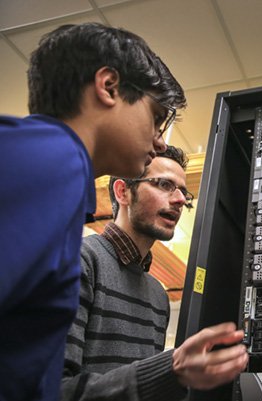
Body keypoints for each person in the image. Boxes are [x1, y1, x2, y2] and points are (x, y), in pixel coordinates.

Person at [0, 23, 185, 401]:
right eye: (156, 116)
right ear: (109, 87)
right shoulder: (50, 159)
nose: (160, 139)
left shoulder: (52, 167)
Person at [61, 145, 248, 400]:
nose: (181, 199)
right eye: (163, 184)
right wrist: (170, 370)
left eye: (183, 191)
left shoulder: (158, 295)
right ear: (123, 192)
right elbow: (53, 390)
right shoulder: (78, 261)